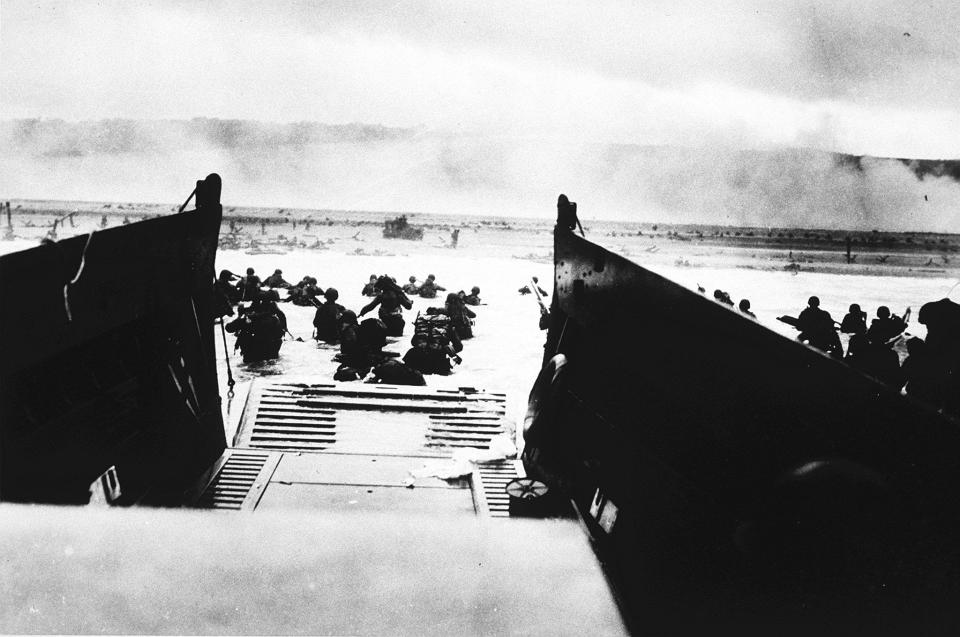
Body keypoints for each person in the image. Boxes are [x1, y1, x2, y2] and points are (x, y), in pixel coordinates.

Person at [225, 292, 286, 363]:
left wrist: (239, 316)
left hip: (251, 359)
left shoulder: (247, 321)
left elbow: (228, 328)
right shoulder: (275, 320)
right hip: (271, 357)